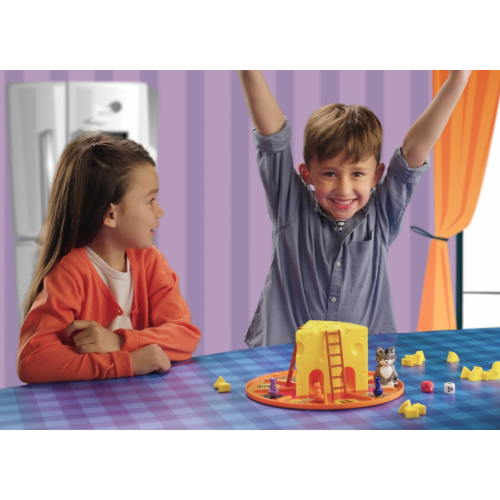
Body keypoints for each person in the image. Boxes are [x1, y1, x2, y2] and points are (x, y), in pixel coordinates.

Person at [238, 70, 470, 347]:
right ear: (307, 174)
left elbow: (412, 154)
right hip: (285, 357)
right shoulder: (291, 209)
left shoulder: (381, 216)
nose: (344, 189)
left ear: (376, 175)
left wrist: (458, 79)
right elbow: (272, 138)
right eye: (329, 174)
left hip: (365, 360)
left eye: (357, 174)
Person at [17, 133, 201, 383]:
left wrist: (118, 341)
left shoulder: (151, 262)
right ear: (110, 215)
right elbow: (33, 361)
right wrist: (128, 363)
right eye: (150, 200)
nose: (160, 211)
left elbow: (185, 336)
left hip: (142, 401)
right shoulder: (69, 274)